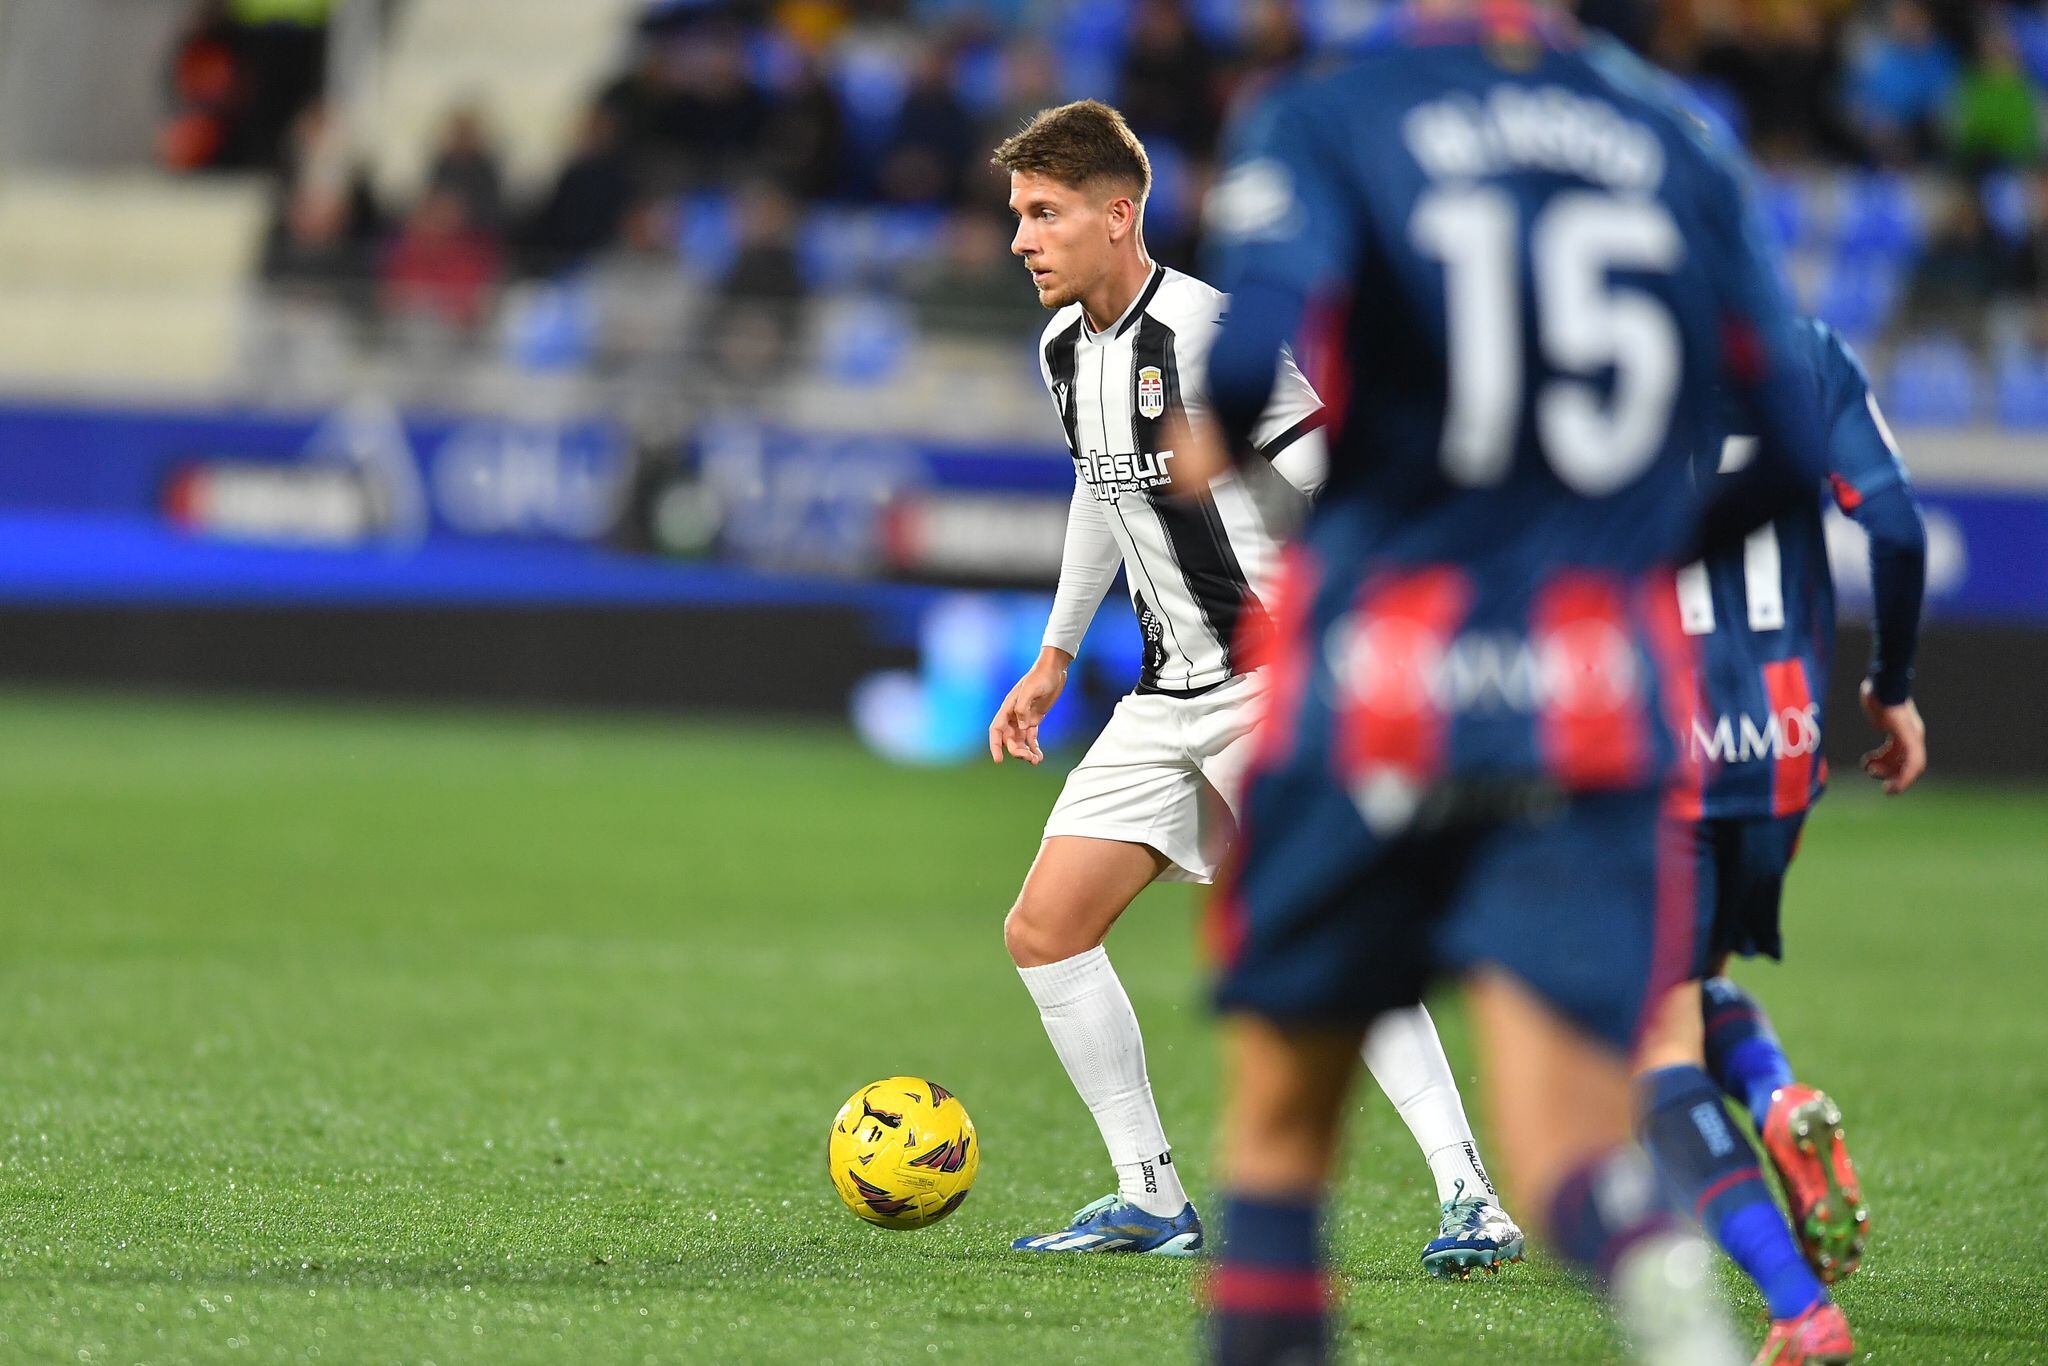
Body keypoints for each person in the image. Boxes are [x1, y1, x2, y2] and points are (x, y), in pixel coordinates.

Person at [1192, 2, 1836, 1361]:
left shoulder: (1330, 112)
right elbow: (1788, 442)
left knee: (1280, 1135)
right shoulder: (1678, 134)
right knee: (1567, 1155)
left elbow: (1251, 359)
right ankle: (1683, 1310)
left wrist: (1215, 444)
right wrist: (1612, 568)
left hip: (1383, 678)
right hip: (1595, 698)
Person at [988, 99, 1524, 1277]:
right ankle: (1149, 1195)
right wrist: (1055, 654)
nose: (1019, 238)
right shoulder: (1061, 349)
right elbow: (1100, 488)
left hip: (1272, 685)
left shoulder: (1209, 334)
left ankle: (1469, 1194)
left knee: (1338, 940)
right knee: (1044, 927)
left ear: (1115, 214)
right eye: (1017, 216)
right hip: (1165, 691)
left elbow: (1328, 486)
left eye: (1042, 214)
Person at [1634, 318, 1927, 1366]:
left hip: (1653, 742)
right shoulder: (1809, 350)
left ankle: (1799, 1306)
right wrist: (1887, 688)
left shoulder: (1589, 340)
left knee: (1645, 1047)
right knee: (1692, 983)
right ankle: (1772, 1095)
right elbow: (1894, 528)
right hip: (1785, 739)